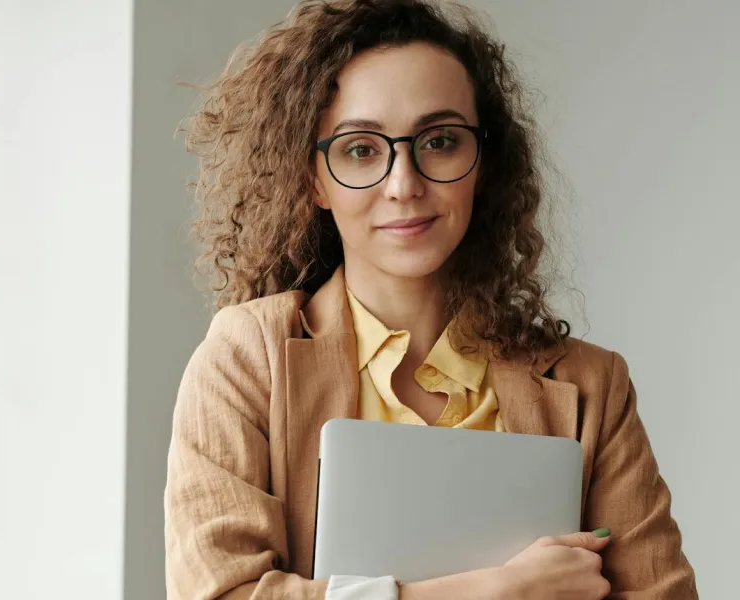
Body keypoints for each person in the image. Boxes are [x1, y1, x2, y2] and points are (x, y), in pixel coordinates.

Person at [163, 0, 697, 598]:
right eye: (360, 149)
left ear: (483, 163)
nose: (404, 184)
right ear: (313, 178)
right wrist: (495, 591)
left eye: (440, 141)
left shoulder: (593, 386)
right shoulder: (246, 358)